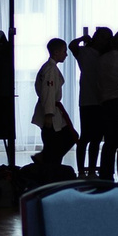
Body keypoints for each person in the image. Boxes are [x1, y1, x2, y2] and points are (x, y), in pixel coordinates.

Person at [74, 28, 118, 176]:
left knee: (97, 138)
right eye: (101, 37)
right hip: (88, 100)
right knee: (86, 136)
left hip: (101, 100)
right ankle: (81, 169)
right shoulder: (85, 52)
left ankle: (92, 168)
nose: (103, 40)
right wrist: (83, 38)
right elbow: (72, 45)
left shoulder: (105, 55)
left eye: (106, 38)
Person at [32, 37, 77, 171]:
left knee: (61, 139)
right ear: (56, 52)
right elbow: (48, 92)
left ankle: (48, 161)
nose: (66, 54)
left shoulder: (48, 67)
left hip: (52, 108)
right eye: (64, 51)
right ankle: (48, 163)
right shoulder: (50, 69)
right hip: (50, 110)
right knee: (64, 138)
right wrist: (49, 113)